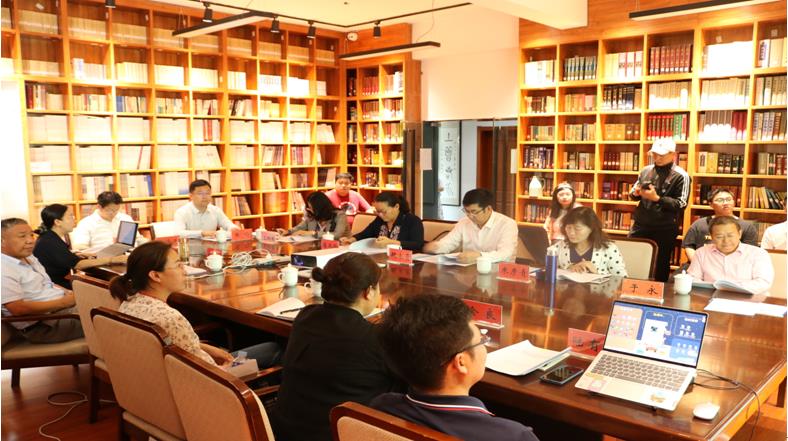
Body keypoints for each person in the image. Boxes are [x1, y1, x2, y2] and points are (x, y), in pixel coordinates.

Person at [270, 252, 402, 441]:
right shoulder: (374, 337)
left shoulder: (306, 316)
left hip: (282, 431)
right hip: (338, 435)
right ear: (368, 292)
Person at [371, 295, 540, 441]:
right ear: (461, 362)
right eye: (481, 340)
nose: (484, 346)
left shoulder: (382, 407)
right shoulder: (514, 436)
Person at [110, 241, 280, 369]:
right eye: (178, 265)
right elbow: (208, 374)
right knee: (276, 349)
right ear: (156, 276)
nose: (184, 270)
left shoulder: (129, 303)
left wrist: (208, 349)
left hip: (162, 382)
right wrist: (229, 368)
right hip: (215, 387)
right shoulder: (170, 318)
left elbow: (176, 345)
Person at [1, 218, 83, 343]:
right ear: (2, 241)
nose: (30, 240)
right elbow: (18, 309)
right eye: (22, 236)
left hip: (61, 311)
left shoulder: (29, 257)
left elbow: (46, 283)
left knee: (107, 306)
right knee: (108, 319)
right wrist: (65, 302)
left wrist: (67, 292)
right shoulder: (4, 268)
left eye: (31, 235)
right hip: (44, 325)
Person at [628, 139, 690, 282]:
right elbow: (632, 193)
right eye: (655, 154)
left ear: (673, 154)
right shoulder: (646, 170)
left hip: (664, 227)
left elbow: (681, 204)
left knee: (660, 263)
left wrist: (657, 199)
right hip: (640, 224)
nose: (657, 158)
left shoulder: (681, 175)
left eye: (662, 155)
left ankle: (658, 291)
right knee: (633, 257)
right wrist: (636, 193)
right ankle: (631, 288)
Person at [33, 204, 127, 289]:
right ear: (57, 222)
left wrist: (75, 254)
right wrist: (112, 259)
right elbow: (78, 264)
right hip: (57, 287)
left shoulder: (48, 237)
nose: (74, 220)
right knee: (111, 287)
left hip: (57, 283)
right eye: (70, 216)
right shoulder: (50, 241)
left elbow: (62, 257)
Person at [423, 188, 518, 264]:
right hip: (469, 272)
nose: (470, 216)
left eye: (474, 212)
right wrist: (436, 247)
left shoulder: (507, 224)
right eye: (466, 211)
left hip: (498, 273)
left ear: (488, 209)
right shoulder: (464, 222)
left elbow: (505, 254)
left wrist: (479, 256)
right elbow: (449, 243)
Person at [687, 216, 774, 295]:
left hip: (747, 300)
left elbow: (763, 282)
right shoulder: (701, 253)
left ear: (739, 234)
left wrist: (731, 288)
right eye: (719, 237)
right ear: (712, 237)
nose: (726, 241)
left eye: (730, 235)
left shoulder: (758, 254)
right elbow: (692, 279)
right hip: (711, 298)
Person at [682, 188, 758, 261]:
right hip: (701, 264)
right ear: (711, 204)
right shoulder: (699, 224)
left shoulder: (747, 226)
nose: (725, 203)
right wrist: (698, 263)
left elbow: (749, 252)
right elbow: (689, 246)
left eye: (728, 199)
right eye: (720, 200)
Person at [550, 207, 627, 277]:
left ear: (591, 228)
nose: (571, 233)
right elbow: (548, 273)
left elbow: (623, 280)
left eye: (577, 228)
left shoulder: (608, 249)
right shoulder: (559, 247)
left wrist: (596, 273)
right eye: (568, 227)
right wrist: (568, 268)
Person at [339, 192, 425, 251]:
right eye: (378, 212)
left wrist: (392, 243)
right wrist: (351, 240)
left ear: (396, 207)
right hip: (382, 257)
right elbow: (365, 234)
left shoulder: (412, 221)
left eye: (384, 212)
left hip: (406, 260)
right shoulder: (379, 220)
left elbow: (417, 244)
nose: (380, 215)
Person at [71, 191, 146, 251]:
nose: (113, 213)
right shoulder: (86, 223)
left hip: (125, 256)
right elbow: (80, 248)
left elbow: (137, 239)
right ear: (99, 207)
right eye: (110, 210)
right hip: (99, 259)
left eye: (116, 210)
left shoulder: (125, 218)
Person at [173, 179, 238, 238]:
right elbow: (179, 233)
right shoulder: (181, 212)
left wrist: (233, 228)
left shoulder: (215, 210)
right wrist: (202, 233)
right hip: (190, 246)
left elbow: (228, 224)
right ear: (191, 196)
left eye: (207, 193)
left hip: (212, 246)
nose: (204, 197)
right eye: (200, 193)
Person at [277, 191, 350, 238]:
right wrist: (288, 232)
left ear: (320, 208)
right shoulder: (312, 216)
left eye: (311, 208)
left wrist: (313, 233)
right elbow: (300, 227)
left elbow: (337, 235)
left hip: (341, 248)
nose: (309, 210)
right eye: (308, 207)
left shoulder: (340, 215)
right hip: (318, 248)